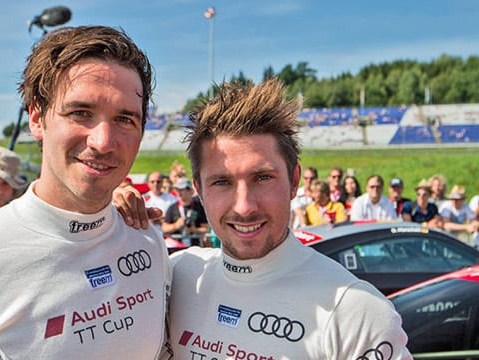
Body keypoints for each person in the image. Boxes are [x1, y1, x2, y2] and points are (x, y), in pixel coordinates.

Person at [0, 25, 171, 359]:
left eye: (125, 119)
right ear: (37, 117)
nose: (103, 141)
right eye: (81, 112)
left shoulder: (148, 241)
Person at [167, 79, 410, 358]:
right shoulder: (176, 276)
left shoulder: (358, 311)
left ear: (294, 181)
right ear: (199, 189)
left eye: (262, 178)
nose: (245, 207)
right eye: (222, 182)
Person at [162, 178, 209, 246]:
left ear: (190, 191)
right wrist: (176, 225)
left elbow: (206, 229)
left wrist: (194, 230)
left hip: (195, 247)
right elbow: (164, 228)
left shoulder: (199, 207)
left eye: (181, 189)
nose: (179, 192)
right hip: (177, 246)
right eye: (177, 190)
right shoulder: (172, 207)